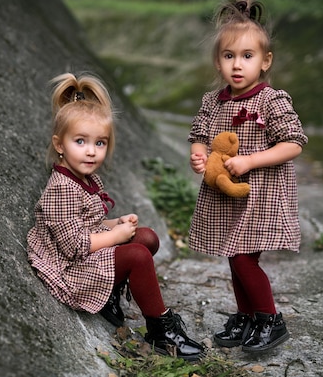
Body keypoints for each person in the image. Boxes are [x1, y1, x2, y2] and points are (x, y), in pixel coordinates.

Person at [27, 72, 205, 361]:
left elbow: (90, 223)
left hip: (85, 252)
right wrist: (115, 237)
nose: (91, 152)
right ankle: (161, 330)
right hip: (69, 269)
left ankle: (109, 293)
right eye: (81, 141)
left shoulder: (85, 178)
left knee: (146, 237)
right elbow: (73, 246)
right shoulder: (61, 189)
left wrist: (117, 223)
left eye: (100, 143)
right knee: (136, 255)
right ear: (59, 145)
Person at [187, 0, 308, 353]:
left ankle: (270, 318)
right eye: (228, 56)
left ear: (265, 61)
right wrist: (198, 156)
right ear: (218, 62)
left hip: (260, 194)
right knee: (233, 253)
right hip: (225, 195)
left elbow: (294, 143)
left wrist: (251, 160)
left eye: (247, 56)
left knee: (243, 256)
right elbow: (199, 137)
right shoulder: (213, 102)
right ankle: (248, 315)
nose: (237, 65)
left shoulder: (271, 100)